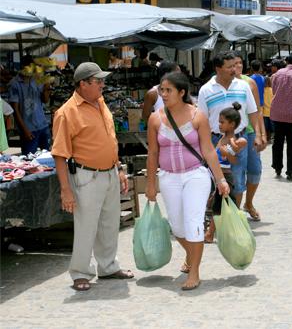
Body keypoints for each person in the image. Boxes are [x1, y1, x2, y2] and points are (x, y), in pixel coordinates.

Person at [51, 62, 134, 291]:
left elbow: (109, 138)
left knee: (109, 223)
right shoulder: (66, 113)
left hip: (109, 173)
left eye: (102, 81)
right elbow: (59, 154)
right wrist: (65, 189)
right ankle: (80, 272)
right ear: (82, 84)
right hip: (86, 176)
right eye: (98, 81)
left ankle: (107, 267)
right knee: (86, 226)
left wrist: (118, 168)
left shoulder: (100, 102)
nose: (102, 85)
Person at [146, 71, 230, 290]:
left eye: (168, 90)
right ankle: (191, 254)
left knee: (194, 222)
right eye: (161, 90)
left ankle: (194, 272)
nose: (163, 94)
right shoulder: (155, 119)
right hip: (168, 177)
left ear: (181, 92)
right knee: (177, 226)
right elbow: (152, 154)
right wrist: (150, 183)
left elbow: (209, 151)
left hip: (195, 175)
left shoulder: (197, 116)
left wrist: (220, 180)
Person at [197, 52, 263, 222]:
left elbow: (253, 111)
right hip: (215, 141)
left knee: (238, 178)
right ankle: (217, 218)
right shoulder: (206, 90)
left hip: (239, 139)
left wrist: (257, 135)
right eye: (230, 67)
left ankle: (234, 216)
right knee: (218, 180)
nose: (234, 69)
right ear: (218, 69)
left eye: (235, 65)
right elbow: (201, 120)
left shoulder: (243, 86)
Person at [204, 103, 248, 243]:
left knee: (221, 206)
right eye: (219, 122)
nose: (219, 125)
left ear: (232, 124)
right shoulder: (222, 139)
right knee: (220, 205)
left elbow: (234, 160)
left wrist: (226, 153)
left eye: (222, 122)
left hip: (225, 177)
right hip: (217, 176)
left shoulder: (233, 140)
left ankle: (210, 234)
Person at [233, 52, 267, 221]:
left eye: (240, 62)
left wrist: (261, 134)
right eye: (234, 63)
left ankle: (249, 203)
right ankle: (235, 210)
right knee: (236, 173)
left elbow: (257, 110)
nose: (237, 66)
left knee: (255, 170)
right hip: (233, 134)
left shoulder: (250, 83)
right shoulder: (222, 84)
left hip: (250, 131)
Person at [270, 51, 292, 181]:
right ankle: (291, 171)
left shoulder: (277, 74)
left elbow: (274, 91)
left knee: (277, 142)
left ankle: (277, 166)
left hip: (277, 113)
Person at [8, 57, 51, 155]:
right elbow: (15, 110)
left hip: (43, 126)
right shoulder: (14, 84)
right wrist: (25, 130)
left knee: (47, 158)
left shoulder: (36, 80)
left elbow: (45, 100)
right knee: (29, 161)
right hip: (29, 129)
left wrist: (46, 89)